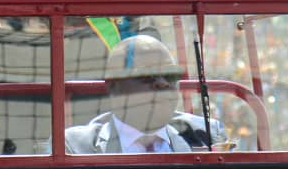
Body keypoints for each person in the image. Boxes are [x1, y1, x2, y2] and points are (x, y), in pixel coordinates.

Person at [64, 35, 227, 154]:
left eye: (170, 75)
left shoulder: (207, 134)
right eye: (148, 75)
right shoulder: (75, 147)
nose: (162, 83)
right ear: (113, 85)